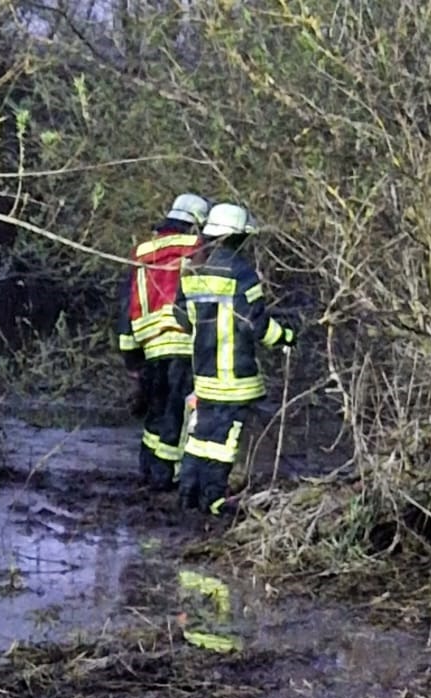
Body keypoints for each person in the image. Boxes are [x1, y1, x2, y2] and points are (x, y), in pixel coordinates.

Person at [172, 202, 296, 516]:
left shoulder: (193, 270)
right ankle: (213, 498)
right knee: (225, 442)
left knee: (200, 436)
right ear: (236, 237)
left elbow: (183, 317)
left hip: (204, 373)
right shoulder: (240, 272)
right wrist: (284, 336)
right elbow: (255, 323)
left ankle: (188, 493)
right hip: (235, 378)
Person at [116, 192, 210, 491]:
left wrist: (130, 356)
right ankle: (164, 477)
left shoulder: (142, 252)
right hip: (183, 341)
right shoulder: (197, 248)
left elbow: (127, 304)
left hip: (150, 344)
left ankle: (148, 469)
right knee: (177, 412)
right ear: (196, 223)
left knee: (156, 409)